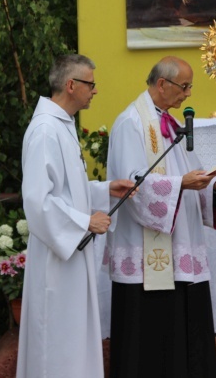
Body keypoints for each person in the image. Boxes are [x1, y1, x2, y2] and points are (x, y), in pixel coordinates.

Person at [106, 56, 216, 377]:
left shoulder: (168, 123)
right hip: (148, 258)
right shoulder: (132, 123)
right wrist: (182, 183)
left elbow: (191, 176)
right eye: (184, 86)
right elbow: (131, 183)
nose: (189, 94)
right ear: (162, 84)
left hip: (179, 246)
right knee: (153, 342)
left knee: (184, 330)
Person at [17, 54, 136, 378]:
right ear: (71, 85)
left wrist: (106, 188)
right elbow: (37, 200)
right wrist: (85, 221)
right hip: (57, 260)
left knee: (72, 336)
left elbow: (64, 188)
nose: (95, 90)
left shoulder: (60, 125)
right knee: (56, 341)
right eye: (91, 83)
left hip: (70, 253)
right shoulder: (45, 130)